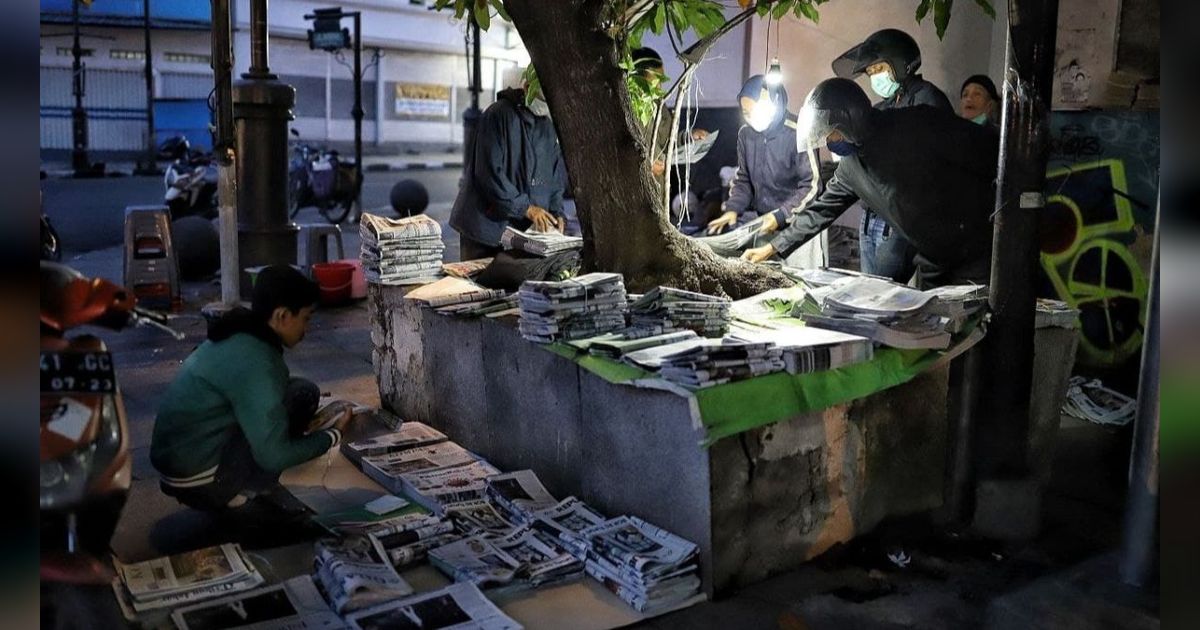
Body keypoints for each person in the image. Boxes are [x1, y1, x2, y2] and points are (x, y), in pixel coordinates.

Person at [742, 78, 999, 289]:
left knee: (978, 335)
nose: (830, 142)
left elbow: (989, 152)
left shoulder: (919, 125)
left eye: (831, 133)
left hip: (977, 253)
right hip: (932, 260)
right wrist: (774, 247)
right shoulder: (851, 167)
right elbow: (821, 211)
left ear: (850, 120)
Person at [151, 265, 353, 513]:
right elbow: (273, 456)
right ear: (282, 316)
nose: (306, 330)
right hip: (200, 479)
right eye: (306, 318)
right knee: (292, 410)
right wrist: (332, 435)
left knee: (302, 391)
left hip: (176, 463)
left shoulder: (238, 332)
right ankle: (239, 495)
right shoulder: (258, 361)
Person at [832, 28, 953, 283]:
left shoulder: (926, 99)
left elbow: (927, 164)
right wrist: (839, 141)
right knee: (869, 290)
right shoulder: (884, 106)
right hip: (872, 214)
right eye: (871, 73)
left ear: (900, 63)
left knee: (884, 292)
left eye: (878, 69)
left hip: (900, 218)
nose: (875, 78)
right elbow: (863, 144)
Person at [704, 75, 825, 268]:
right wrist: (733, 208)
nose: (752, 117)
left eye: (756, 110)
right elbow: (744, 179)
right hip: (765, 225)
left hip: (798, 227)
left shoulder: (800, 131)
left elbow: (811, 186)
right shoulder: (746, 134)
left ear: (774, 103)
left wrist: (781, 215)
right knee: (766, 285)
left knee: (800, 286)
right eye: (746, 112)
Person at [449, 72, 567, 261]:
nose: (544, 107)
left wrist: (556, 212)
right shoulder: (498, 115)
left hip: (521, 234)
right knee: (478, 285)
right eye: (540, 99)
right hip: (484, 230)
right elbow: (489, 175)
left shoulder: (547, 127)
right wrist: (526, 208)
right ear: (527, 87)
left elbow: (554, 178)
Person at [633, 47, 709, 179]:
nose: (659, 88)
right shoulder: (625, 109)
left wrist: (687, 138)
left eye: (661, 81)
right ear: (637, 79)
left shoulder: (659, 106)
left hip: (658, 189)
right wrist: (645, 163)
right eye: (655, 81)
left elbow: (668, 142)